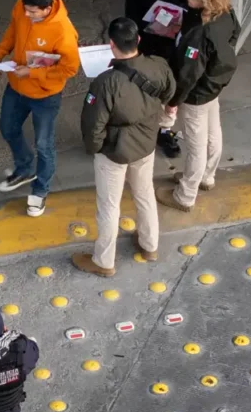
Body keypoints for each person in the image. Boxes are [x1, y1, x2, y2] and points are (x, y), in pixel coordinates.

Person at [73, 18, 176, 277]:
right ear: (138, 40)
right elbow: (170, 92)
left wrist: (96, 148)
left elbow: (92, 123)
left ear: (111, 45)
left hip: (115, 152)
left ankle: (104, 261)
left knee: (109, 206)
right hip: (146, 144)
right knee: (144, 193)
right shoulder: (158, 65)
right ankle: (149, 245)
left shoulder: (105, 82)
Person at [0, 0, 80, 217]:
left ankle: (40, 190)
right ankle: (24, 167)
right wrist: (0, 52)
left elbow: (70, 68)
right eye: (26, 9)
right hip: (17, 87)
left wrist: (32, 73)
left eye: (33, 12)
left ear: (47, 8)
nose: (27, 15)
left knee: (44, 144)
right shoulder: (22, 9)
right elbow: (13, 30)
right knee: (8, 128)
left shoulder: (63, 31)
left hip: (45, 95)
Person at [157, 0, 240, 213]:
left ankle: (185, 195)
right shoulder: (227, 15)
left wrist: (173, 102)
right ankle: (207, 177)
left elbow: (187, 76)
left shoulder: (200, 36)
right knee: (214, 132)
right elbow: (235, 34)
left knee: (196, 146)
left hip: (195, 96)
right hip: (213, 87)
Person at [125, 0, 191, 158]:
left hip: (173, 49)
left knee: (169, 92)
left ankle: (164, 129)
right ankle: (139, 125)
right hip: (146, 43)